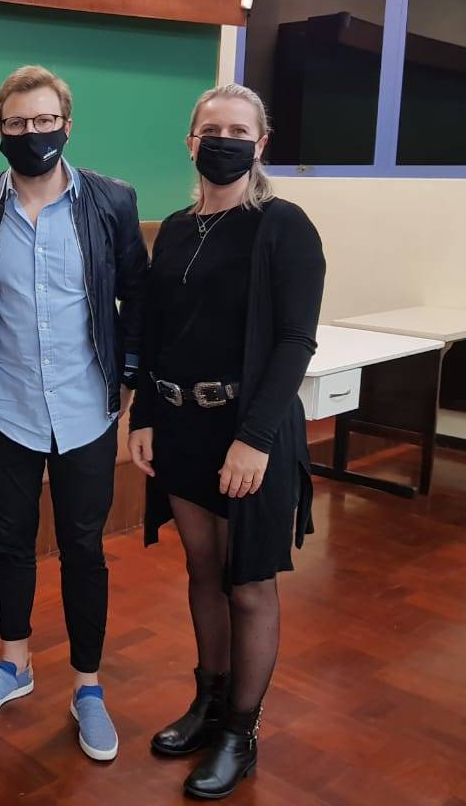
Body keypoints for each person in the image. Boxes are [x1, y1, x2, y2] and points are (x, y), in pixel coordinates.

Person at [128, 83, 325, 799]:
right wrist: (144, 415)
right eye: (212, 129)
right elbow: (158, 334)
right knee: (202, 569)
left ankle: (241, 734)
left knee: (248, 586)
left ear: (261, 143)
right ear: (191, 141)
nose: (224, 140)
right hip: (181, 425)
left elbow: (295, 341)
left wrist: (254, 439)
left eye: (240, 131)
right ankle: (208, 706)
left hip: (250, 429)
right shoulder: (177, 228)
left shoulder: (282, 225)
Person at [0, 66, 147, 761]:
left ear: (67, 124)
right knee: (9, 542)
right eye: (16, 123)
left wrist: (129, 380)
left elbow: (136, 295)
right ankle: (14, 664)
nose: (30, 133)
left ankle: (88, 686)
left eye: (43, 121)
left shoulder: (111, 200)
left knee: (83, 547)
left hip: (86, 406)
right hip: (6, 405)